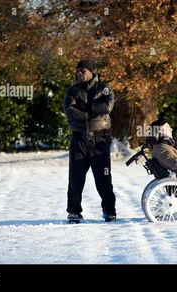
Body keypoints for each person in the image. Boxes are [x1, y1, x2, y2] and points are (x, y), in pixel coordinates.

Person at [63, 59, 116, 222]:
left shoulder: (104, 88)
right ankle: (74, 211)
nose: (79, 74)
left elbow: (106, 107)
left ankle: (109, 211)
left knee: (103, 178)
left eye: (83, 71)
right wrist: (89, 114)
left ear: (91, 71)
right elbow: (69, 110)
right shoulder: (72, 90)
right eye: (77, 71)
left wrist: (84, 106)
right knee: (75, 178)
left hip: (100, 140)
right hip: (79, 140)